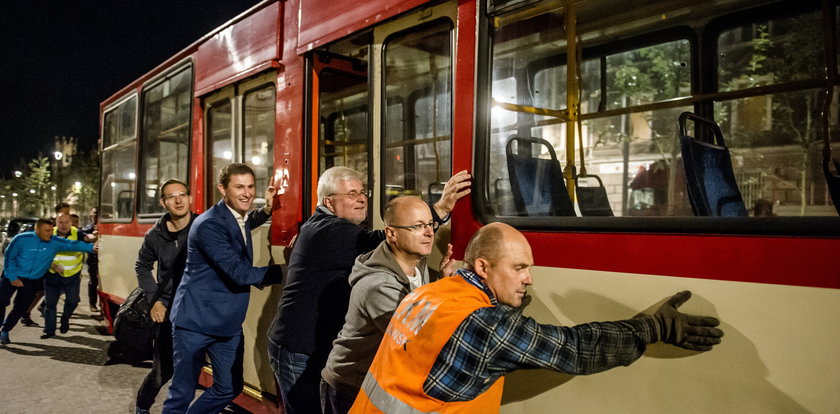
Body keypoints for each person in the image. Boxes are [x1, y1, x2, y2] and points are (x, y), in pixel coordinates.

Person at [350, 223, 725, 413]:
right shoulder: (483, 325)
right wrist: (655, 326)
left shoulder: (429, 292)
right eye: (519, 268)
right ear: (482, 267)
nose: (529, 278)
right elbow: (575, 349)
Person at [267, 167, 470, 414]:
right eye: (352, 193)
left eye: (363, 192)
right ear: (329, 202)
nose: (362, 198)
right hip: (298, 348)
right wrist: (440, 209)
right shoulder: (328, 230)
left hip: (312, 342)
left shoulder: (323, 227)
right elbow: (385, 240)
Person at [163, 163, 284, 414]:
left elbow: (243, 225)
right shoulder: (209, 224)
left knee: (228, 388)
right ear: (223, 189)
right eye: (239, 187)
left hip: (226, 324)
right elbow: (239, 273)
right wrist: (287, 270)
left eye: (251, 187)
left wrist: (267, 210)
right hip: (194, 322)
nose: (247, 193)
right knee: (182, 392)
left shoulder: (234, 217)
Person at [320, 196, 456, 414]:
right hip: (352, 385)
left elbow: (421, 311)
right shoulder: (379, 285)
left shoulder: (417, 265)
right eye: (418, 226)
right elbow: (418, 337)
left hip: (378, 379)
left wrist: (443, 281)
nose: (430, 232)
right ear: (391, 234)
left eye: (430, 224)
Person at [133, 179, 197, 414]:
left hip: (199, 307)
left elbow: (238, 224)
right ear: (163, 202)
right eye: (171, 196)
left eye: (182, 194)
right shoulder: (155, 235)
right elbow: (142, 266)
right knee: (162, 371)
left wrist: (265, 212)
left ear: (190, 198)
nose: (178, 200)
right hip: (169, 309)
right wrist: (155, 300)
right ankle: (142, 406)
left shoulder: (204, 225)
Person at [1, 218, 97, 345]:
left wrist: (92, 247)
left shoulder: (54, 241)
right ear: (37, 230)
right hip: (11, 275)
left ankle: (5, 331)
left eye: (51, 230)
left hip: (32, 281)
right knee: (1, 302)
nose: (50, 233)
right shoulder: (21, 239)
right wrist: (13, 277)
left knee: (20, 308)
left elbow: (71, 244)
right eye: (46, 231)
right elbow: (9, 257)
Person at [41, 212, 93, 339]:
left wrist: (92, 237)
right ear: (56, 223)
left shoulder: (77, 233)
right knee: (50, 304)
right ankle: (49, 331)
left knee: (73, 301)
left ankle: (65, 318)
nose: (63, 225)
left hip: (72, 275)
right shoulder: (49, 233)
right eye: (60, 222)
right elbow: (42, 252)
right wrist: (52, 265)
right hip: (52, 274)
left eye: (66, 222)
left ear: (71, 223)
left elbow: (87, 238)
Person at [19, 202, 71, 327]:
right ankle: (26, 312)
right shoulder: (50, 224)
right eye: (65, 211)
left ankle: (33, 309)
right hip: (46, 262)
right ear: (58, 212)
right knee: (39, 290)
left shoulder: (65, 224)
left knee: (44, 290)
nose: (67, 214)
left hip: (54, 263)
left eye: (68, 211)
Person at [80, 208, 100, 312]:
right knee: (93, 281)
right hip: (93, 258)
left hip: (105, 258)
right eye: (95, 213)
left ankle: (102, 306)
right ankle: (92, 304)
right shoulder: (88, 227)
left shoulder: (104, 225)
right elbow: (83, 236)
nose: (96, 215)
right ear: (90, 214)